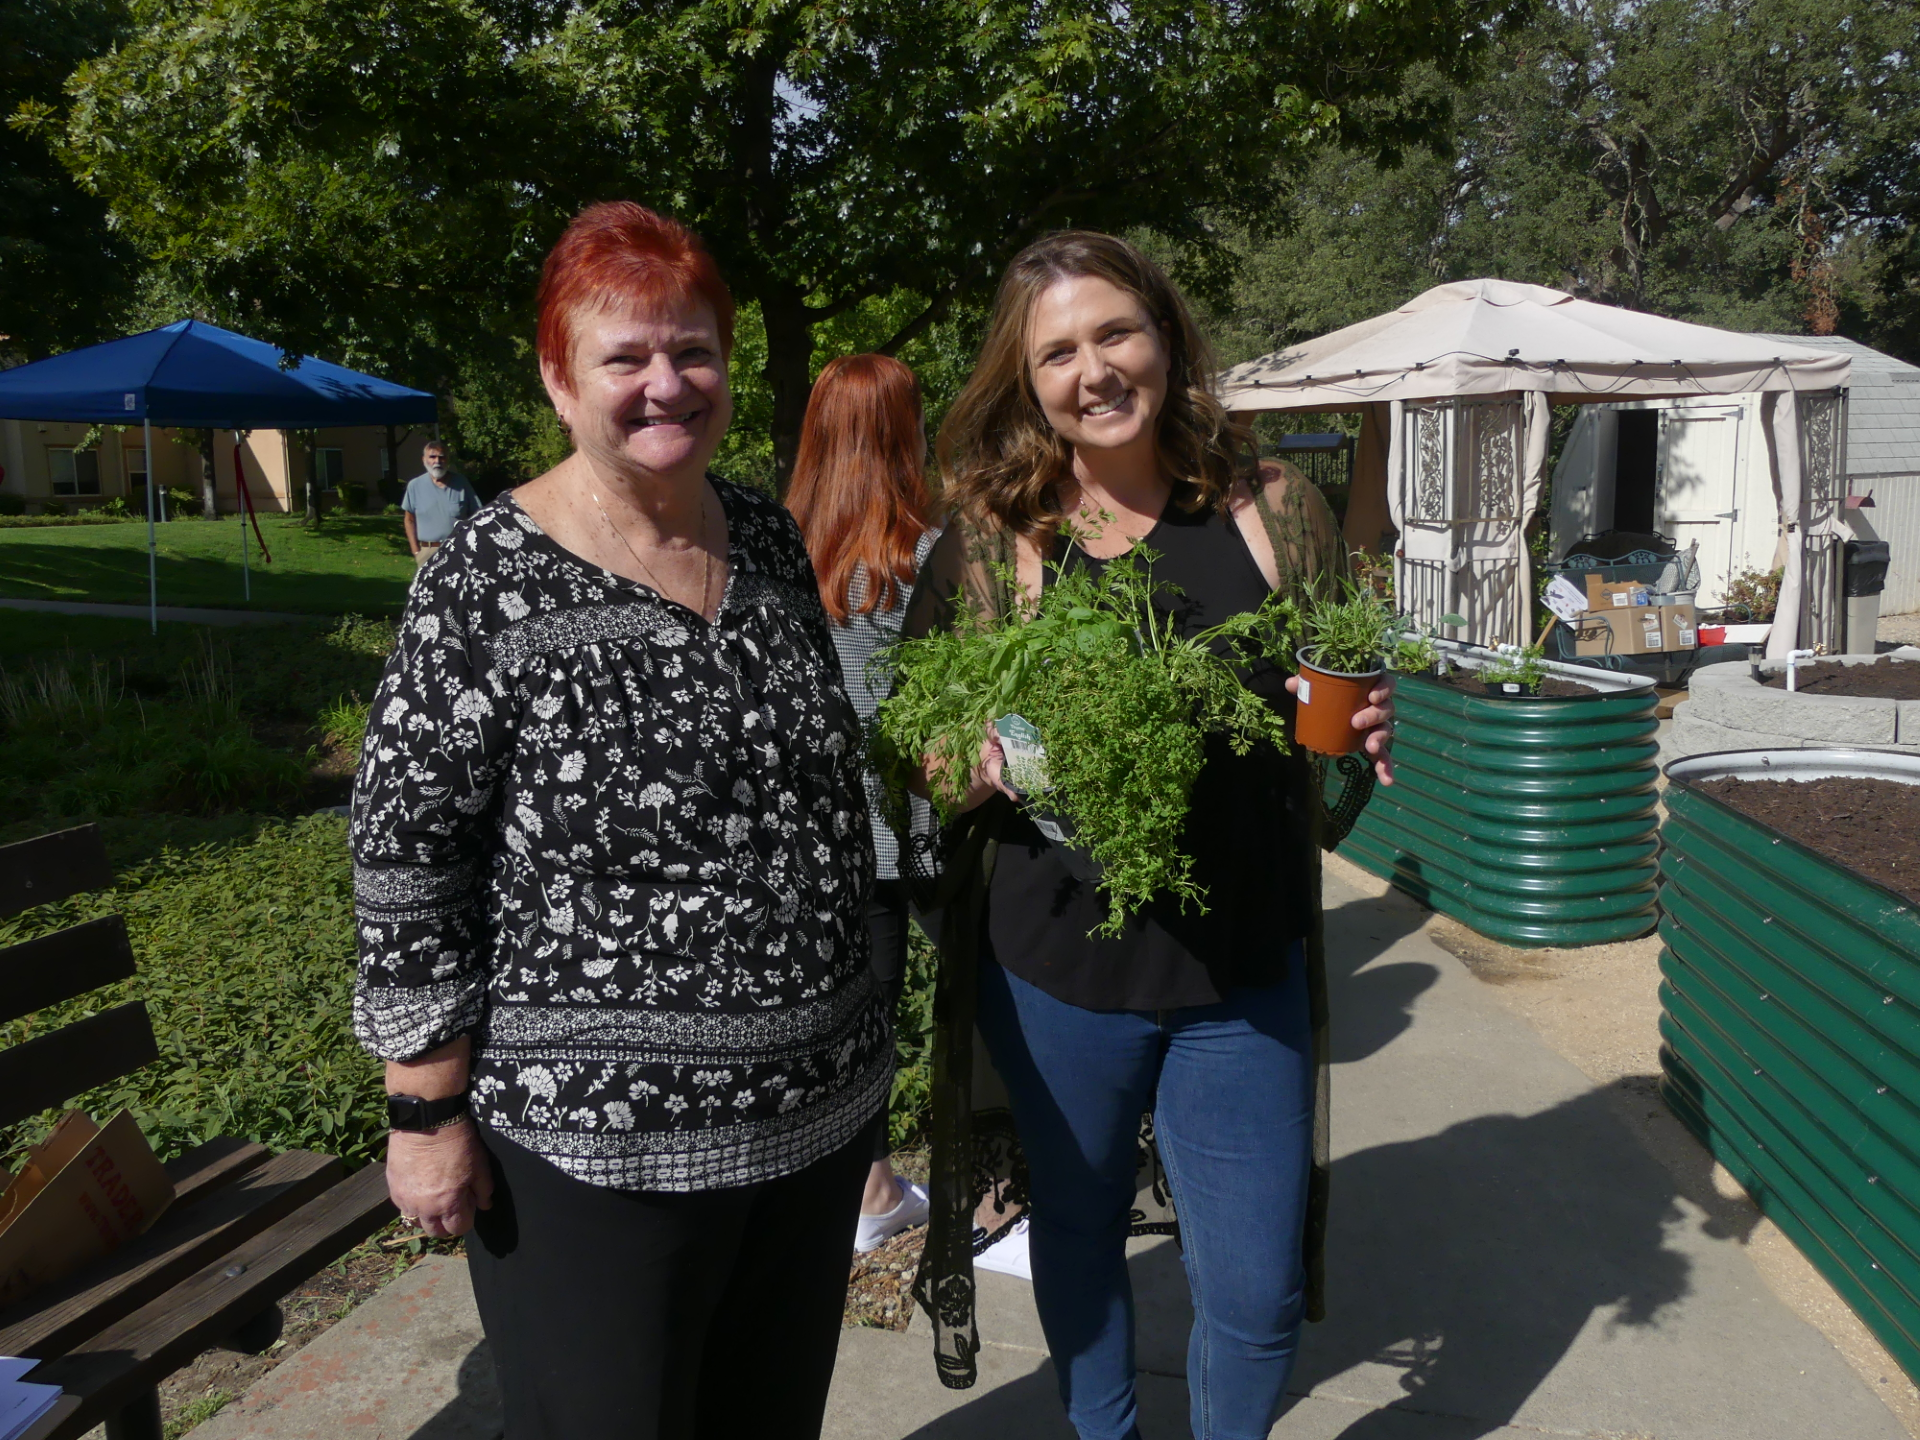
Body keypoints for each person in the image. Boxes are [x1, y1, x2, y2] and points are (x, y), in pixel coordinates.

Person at [350, 201, 889, 1440]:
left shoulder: (763, 533)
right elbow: (407, 862)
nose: (666, 384)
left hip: (809, 1122)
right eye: (625, 357)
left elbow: (808, 789)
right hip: (598, 1153)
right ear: (556, 377)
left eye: (692, 350)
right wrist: (426, 1115)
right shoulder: (485, 581)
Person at [897, 231, 1395, 1440]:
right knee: (1078, 1233)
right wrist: (968, 765)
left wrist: (1364, 717)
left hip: (1240, 961)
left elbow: (1336, 691)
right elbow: (914, 735)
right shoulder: (992, 533)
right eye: (1056, 351)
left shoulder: (1274, 509)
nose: (1094, 370)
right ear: (1027, 380)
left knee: (1257, 1289)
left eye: (1116, 332)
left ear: (1166, 335)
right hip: (1060, 967)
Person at [784, 353, 942, 1253]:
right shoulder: (923, 554)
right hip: (905, 826)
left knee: (842, 1009)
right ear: (899, 433)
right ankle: (875, 1190)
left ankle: (854, 1177)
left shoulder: (778, 548)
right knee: (920, 1004)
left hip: (810, 831)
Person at [400, 441, 480, 564]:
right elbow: (409, 520)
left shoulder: (461, 483)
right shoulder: (415, 486)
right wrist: (416, 551)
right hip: (427, 552)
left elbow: (478, 516)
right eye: (432, 457)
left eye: (441, 457)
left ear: (447, 460)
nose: (437, 461)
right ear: (424, 459)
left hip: (458, 550)